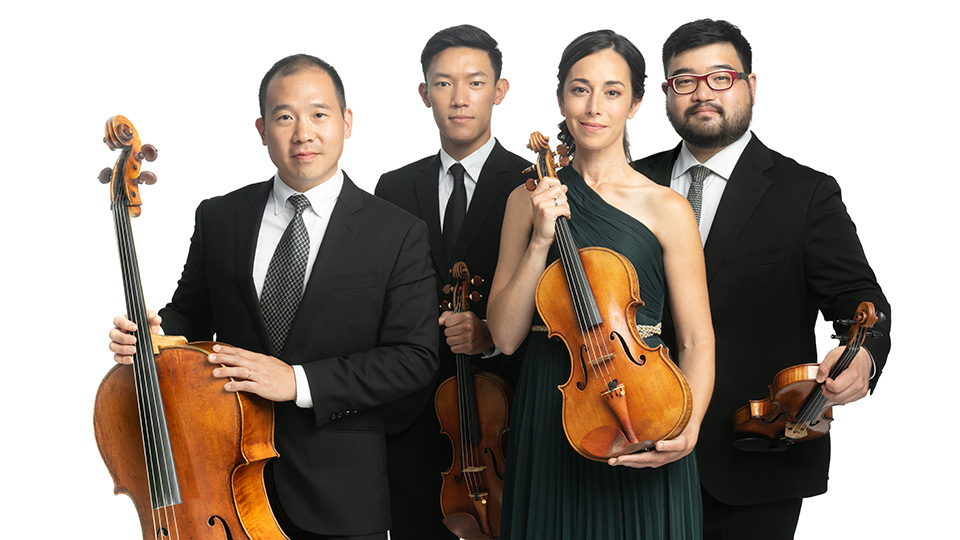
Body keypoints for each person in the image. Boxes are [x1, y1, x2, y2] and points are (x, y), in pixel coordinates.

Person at [108, 54, 439, 540]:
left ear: (347, 123)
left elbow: (413, 358)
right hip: (222, 477)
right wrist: (153, 338)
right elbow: (191, 315)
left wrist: (298, 381)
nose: (303, 132)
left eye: (319, 114)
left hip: (339, 492)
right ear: (263, 129)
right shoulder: (220, 217)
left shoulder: (397, 232)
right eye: (285, 117)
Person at [631, 19, 891, 540]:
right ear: (665, 94)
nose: (702, 92)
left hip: (751, 454)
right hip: (633, 442)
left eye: (720, 77)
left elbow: (859, 299)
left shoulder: (806, 193)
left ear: (751, 85)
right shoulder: (631, 182)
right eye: (684, 80)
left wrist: (863, 353)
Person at [487, 29, 715, 540]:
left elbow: (698, 338)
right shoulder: (525, 200)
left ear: (635, 103)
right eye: (580, 88)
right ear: (561, 97)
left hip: (648, 406)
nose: (594, 107)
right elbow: (503, 336)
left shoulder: (667, 208)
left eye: (613, 92)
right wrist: (540, 241)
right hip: (555, 401)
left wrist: (691, 425)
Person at [374, 24, 529, 540]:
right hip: (415, 420)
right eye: (443, 84)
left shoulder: (533, 182)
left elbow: (557, 303)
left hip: (502, 419)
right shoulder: (393, 187)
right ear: (424, 94)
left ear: (499, 91)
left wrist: (491, 335)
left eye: (476, 83)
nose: (459, 99)